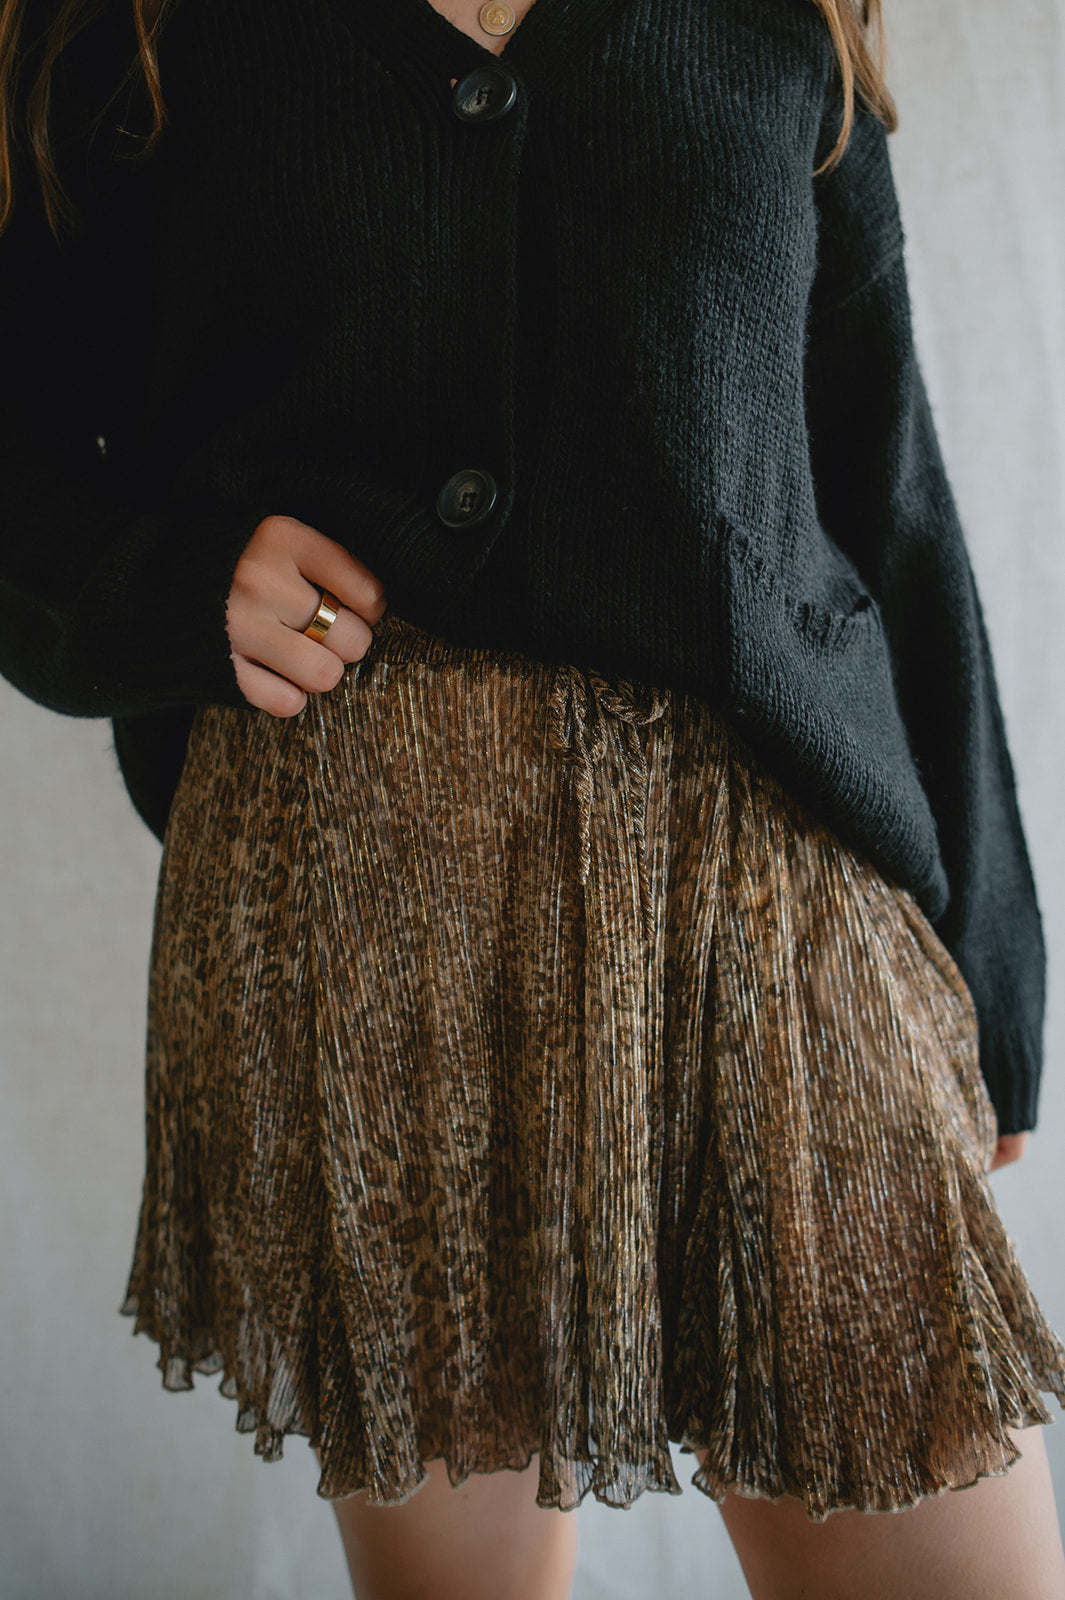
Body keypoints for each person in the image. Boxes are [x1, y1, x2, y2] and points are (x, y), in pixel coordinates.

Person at [1, 0, 1064, 1596]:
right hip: (360, 905)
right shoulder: (118, 26)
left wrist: (988, 953)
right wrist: (168, 589)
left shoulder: (789, 12)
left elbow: (875, 462)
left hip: (768, 901)